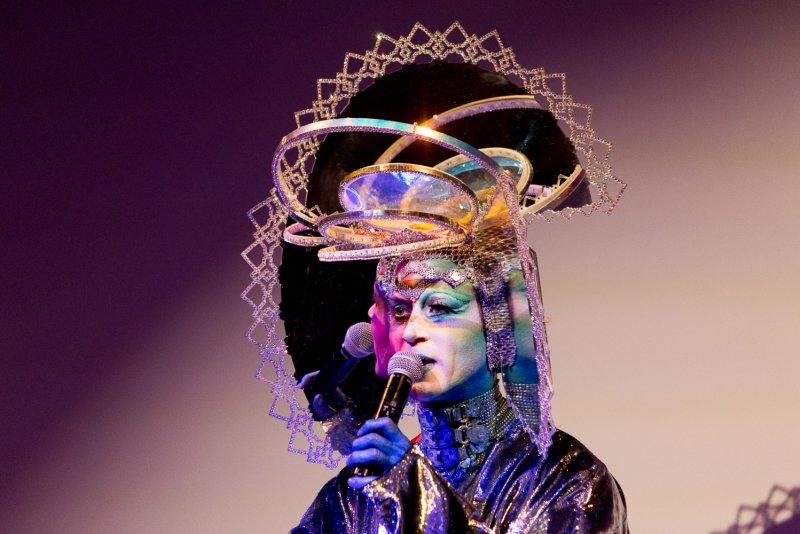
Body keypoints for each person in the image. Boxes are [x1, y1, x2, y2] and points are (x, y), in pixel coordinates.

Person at [246, 23, 629, 533]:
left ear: (495, 323)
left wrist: (412, 489)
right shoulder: (352, 493)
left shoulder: (569, 483)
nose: (413, 331)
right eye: (400, 310)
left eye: (441, 307)